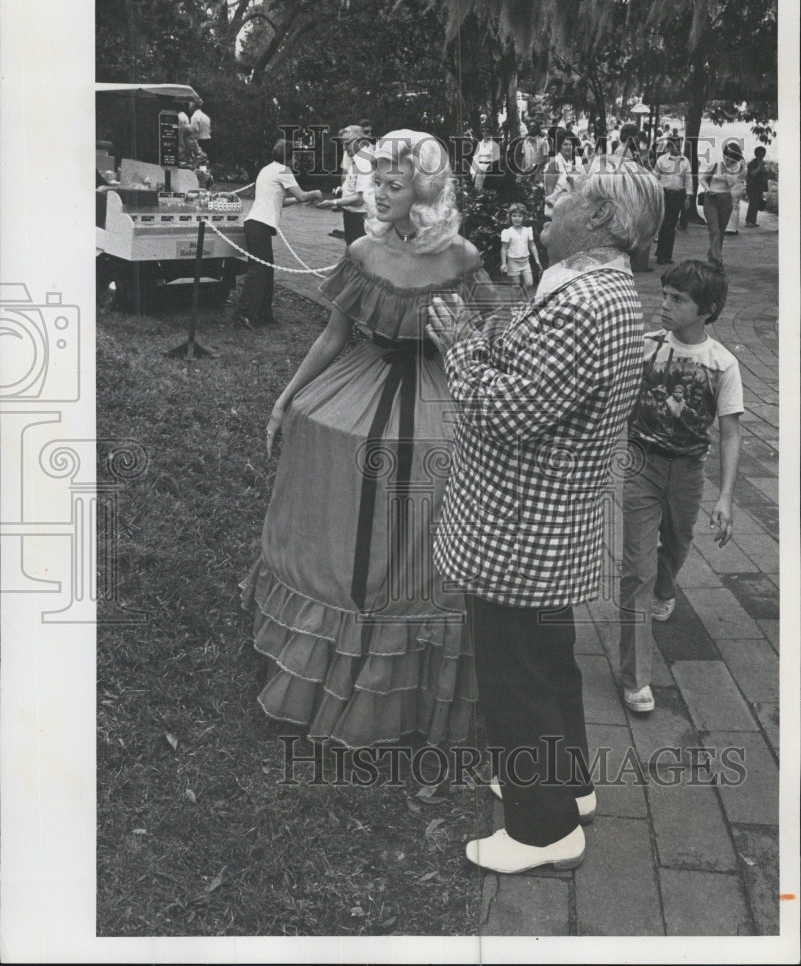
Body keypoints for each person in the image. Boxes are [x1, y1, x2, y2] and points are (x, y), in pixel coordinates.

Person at [426, 165, 664, 873]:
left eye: (562, 199)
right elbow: (542, 377)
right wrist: (489, 324)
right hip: (550, 523)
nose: (549, 208)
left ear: (597, 218)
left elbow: (508, 411)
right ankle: (566, 787)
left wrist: (459, 345)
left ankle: (540, 830)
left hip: (519, 525)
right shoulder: (606, 291)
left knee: (515, 675)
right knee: (548, 666)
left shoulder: (581, 301)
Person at [240, 130, 496, 748]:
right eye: (375, 182)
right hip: (362, 382)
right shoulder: (361, 250)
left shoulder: (461, 256)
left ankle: (411, 658)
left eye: (393, 184)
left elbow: (495, 328)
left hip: (438, 392)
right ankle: (332, 642)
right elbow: (333, 336)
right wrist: (285, 397)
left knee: (419, 525)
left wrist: (469, 349)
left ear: (425, 191)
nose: (377, 194)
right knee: (343, 496)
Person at [619, 260, 742, 713]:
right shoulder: (645, 347)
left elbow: (730, 432)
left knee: (676, 543)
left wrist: (726, 497)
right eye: (665, 295)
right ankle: (635, 678)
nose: (665, 305)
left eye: (678, 299)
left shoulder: (721, 364)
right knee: (636, 569)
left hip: (689, 471)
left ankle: (666, 586)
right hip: (641, 465)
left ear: (706, 310)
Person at [233, 139, 322, 329]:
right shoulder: (284, 170)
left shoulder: (267, 169)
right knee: (259, 270)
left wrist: (300, 200)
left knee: (266, 269)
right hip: (259, 225)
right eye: (294, 157)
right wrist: (316, 193)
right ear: (288, 157)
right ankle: (244, 313)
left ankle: (264, 314)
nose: (295, 161)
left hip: (255, 223)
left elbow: (279, 201)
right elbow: (301, 195)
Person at [318, 125, 373, 244]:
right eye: (343, 143)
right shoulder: (356, 160)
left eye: (347, 143)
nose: (344, 147)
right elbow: (352, 190)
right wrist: (341, 199)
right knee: (352, 255)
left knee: (357, 257)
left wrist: (334, 202)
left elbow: (359, 199)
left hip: (358, 219)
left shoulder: (364, 163)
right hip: (352, 217)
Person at [698, 142, 746, 267]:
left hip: (726, 201)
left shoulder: (737, 170)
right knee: (715, 231)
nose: (729, 160)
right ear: (724, 155)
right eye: (727, 157)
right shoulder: (715, 165)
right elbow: (703, 178)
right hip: (711, 199)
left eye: (733, 159)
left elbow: (737, 186)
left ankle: (712, 256)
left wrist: (731, 172)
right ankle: (718, 259)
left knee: (721, 231)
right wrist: (708, 189)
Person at [654, 138, 693, 265]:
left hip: (678, 195)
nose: (678, 148)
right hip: (664, 194)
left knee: (672, 225)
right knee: (664, 224)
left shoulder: (685, 161)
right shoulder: (662, 160)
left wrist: (688, 197)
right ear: (669, 147)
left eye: (679, 146)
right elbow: (655, 177)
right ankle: (660, 254)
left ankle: (667, 254)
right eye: (675, 146)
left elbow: (688, 180)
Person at [500, 203, 542, 288]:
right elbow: (504, 249)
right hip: (513, 262)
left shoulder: (527, 230)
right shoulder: (507, 232)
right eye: (514, 216)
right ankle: (518, 300)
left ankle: (521, 297)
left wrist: (537, 260)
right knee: (516, 286)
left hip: (525, 261)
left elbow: (532, 246)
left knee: (529, 283)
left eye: (520, 216)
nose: (517, 218)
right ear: (510, 217)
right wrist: (504, 263)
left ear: (523, 218)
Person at [542, 132, 580, 218]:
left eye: (570, 144)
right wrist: (554, 206)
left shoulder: (574, 162)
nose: (568, 147)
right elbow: (549, 190)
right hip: (556, 210)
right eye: (565, 144)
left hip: (570, 209)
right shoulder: (555, 163)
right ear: (559, 146)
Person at [745, 146, 769, 227]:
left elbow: (765, 174)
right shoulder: (752, 163)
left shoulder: (762, 163)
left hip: (759, 187)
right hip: (752, 187)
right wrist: (759, 166)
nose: (762, 156)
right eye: (760, 154)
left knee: (756, 204)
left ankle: (752, 221)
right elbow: (753, 173)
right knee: (753, 204)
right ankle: (749, 222)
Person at [470, 125, 501, 190]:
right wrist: (473, 173)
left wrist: (490, 171)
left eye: (487, 131)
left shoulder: (494, 145)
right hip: (479, 170)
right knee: (478, 190)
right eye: (483, 131)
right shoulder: (480, 144)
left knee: (488, 189)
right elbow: (475, 159)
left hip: (489, 170)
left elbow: (496, 161)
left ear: (490, 132)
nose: (485, 133)